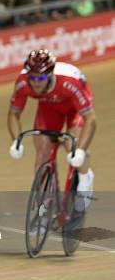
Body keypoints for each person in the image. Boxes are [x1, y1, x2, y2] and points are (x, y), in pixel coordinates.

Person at [8, 49, 96, 209]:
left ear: (50, 75)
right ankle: (43, 204)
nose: (35, 82)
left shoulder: (70, 82)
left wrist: (81, 150)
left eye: (40, 78)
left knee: (72, 146)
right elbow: (14, 114)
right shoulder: (22, 83)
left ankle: (85, 178)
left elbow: (90, 119)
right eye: (32, 77)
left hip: (73, 108)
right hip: (48, 108)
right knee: (42, 154)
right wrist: (16, 141)